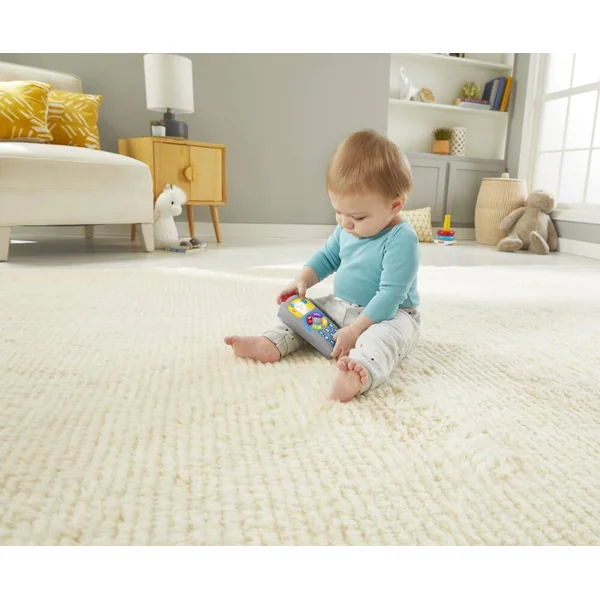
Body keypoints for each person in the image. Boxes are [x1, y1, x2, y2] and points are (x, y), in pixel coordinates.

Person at [225, 129, 421, 402]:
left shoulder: (402, 239)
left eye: (358, 217)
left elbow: (390, 295)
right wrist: (302, 279)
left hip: (391, 315)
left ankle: (360, 371)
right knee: (302, 313)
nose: (345, 223)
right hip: (343, 306)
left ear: (395, 205)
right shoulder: (346, 227)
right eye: (338, 212)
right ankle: (272, 342)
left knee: (383, 339)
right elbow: (328, 257)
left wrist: (355, 331)